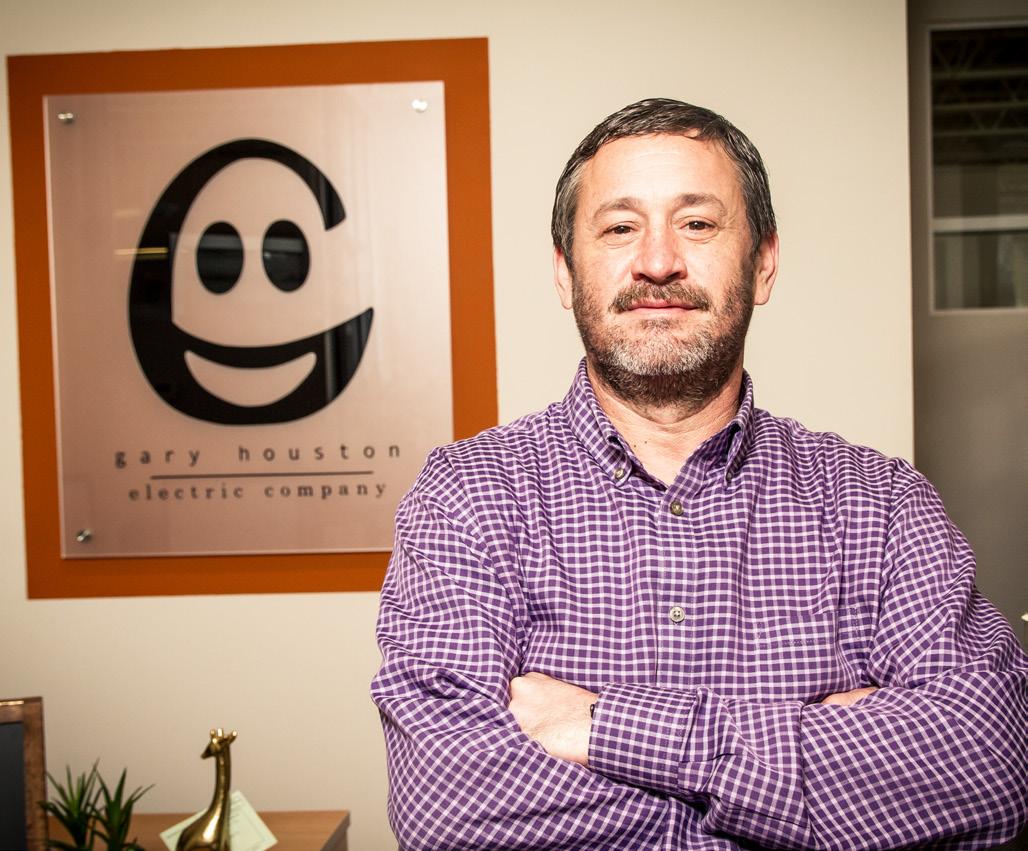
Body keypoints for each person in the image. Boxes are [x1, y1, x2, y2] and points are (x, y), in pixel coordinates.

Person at [371, 98, 1027, 850]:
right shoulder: (468, 495)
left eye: (698, 223)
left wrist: (603, 727)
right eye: (620, 227)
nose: (658, 262)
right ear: (564, 273)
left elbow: (989, 760)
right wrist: (807, 771)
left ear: (763, 264)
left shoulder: (880, 502)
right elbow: (448, 810)